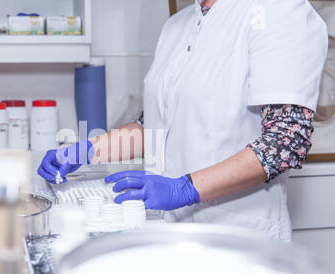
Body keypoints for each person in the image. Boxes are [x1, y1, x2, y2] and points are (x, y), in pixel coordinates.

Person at [38, 0, 328, 241]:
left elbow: (284, 144)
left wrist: (184, 188)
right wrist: (88, 150)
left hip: (241, 238)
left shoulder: (277, 12)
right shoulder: (176, 25)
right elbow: (152, 124)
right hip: (173, 231)